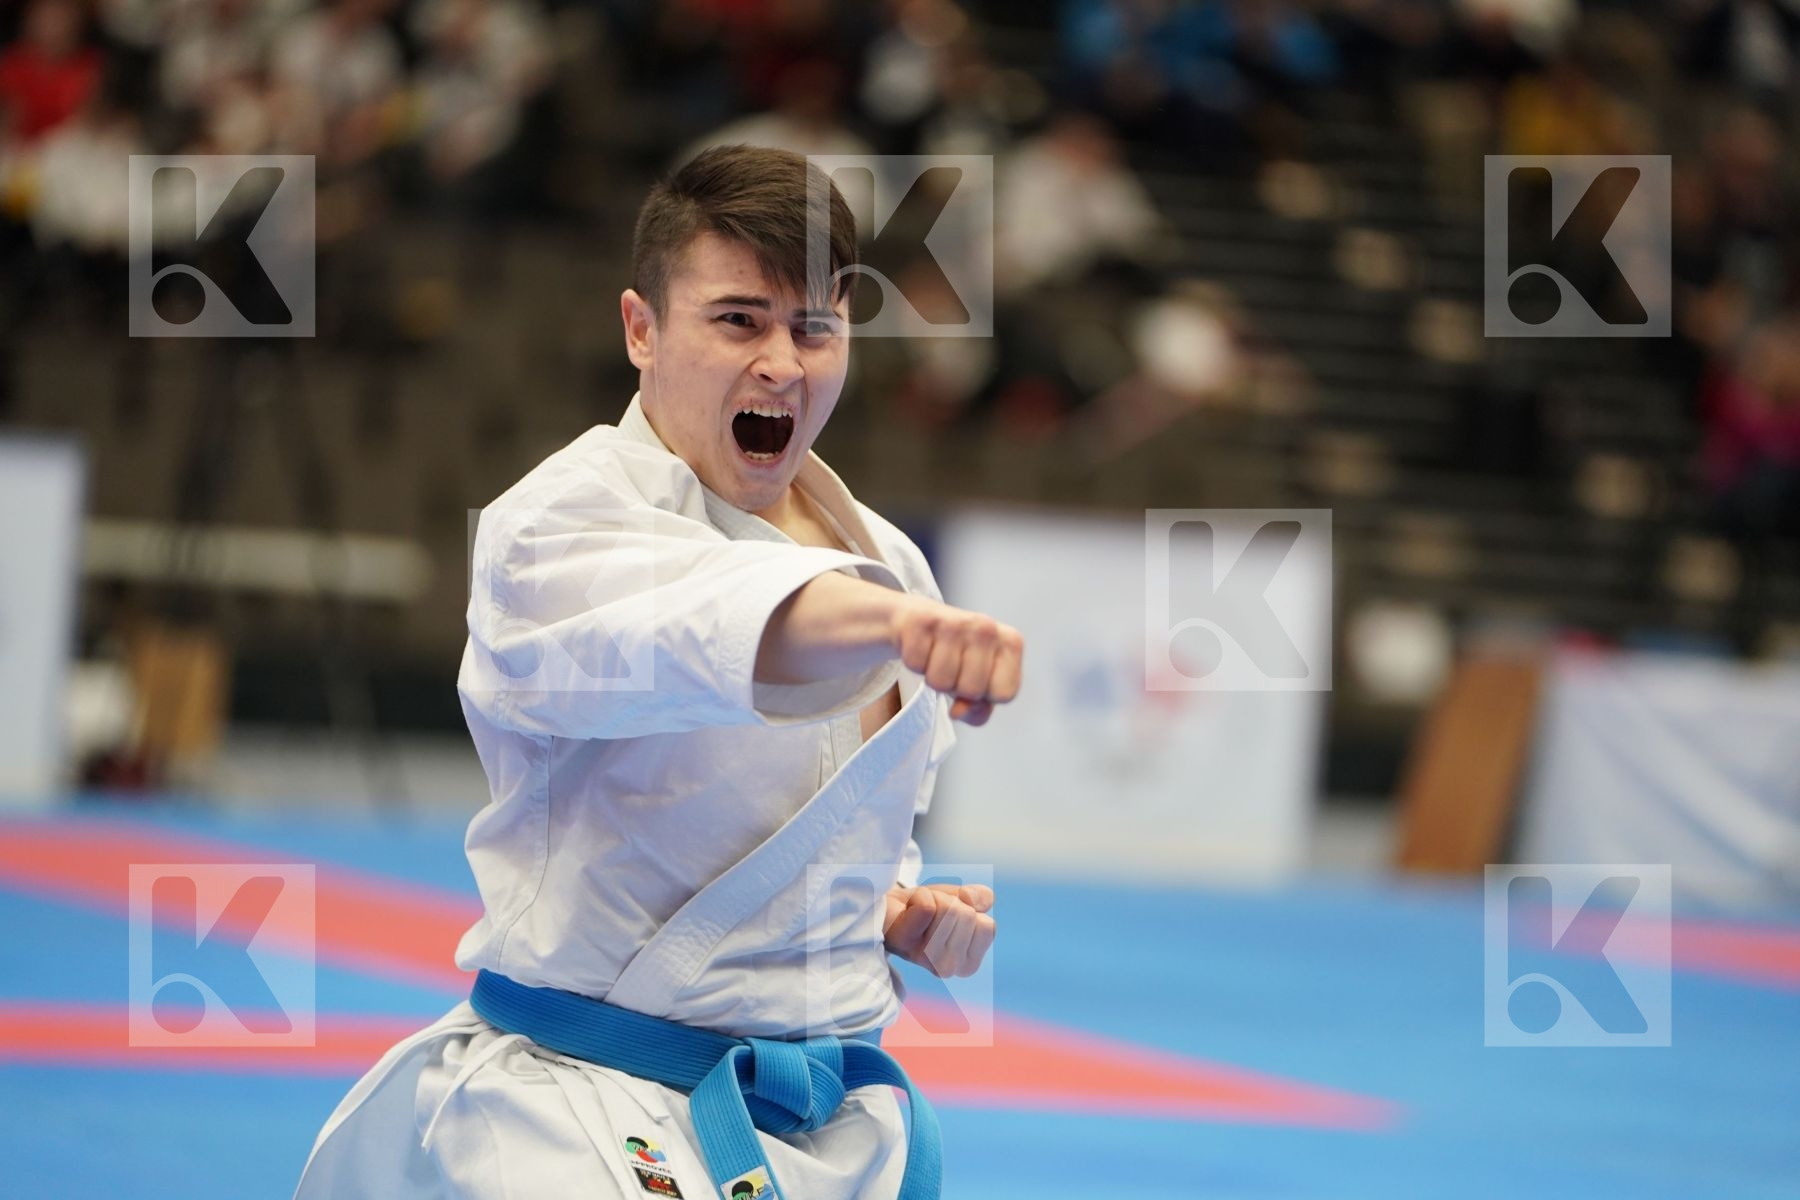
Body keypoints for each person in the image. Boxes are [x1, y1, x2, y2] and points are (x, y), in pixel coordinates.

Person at [292, 143, 1021, 1200]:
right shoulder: (556, 527)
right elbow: (712, 627)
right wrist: (900, 627)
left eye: (815, 325)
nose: (784, 362)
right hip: (575, 1108)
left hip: (820, 1119)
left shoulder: (890, 562)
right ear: (641, 328)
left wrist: (895, 907)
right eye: (740, 319)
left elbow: (812, 829)